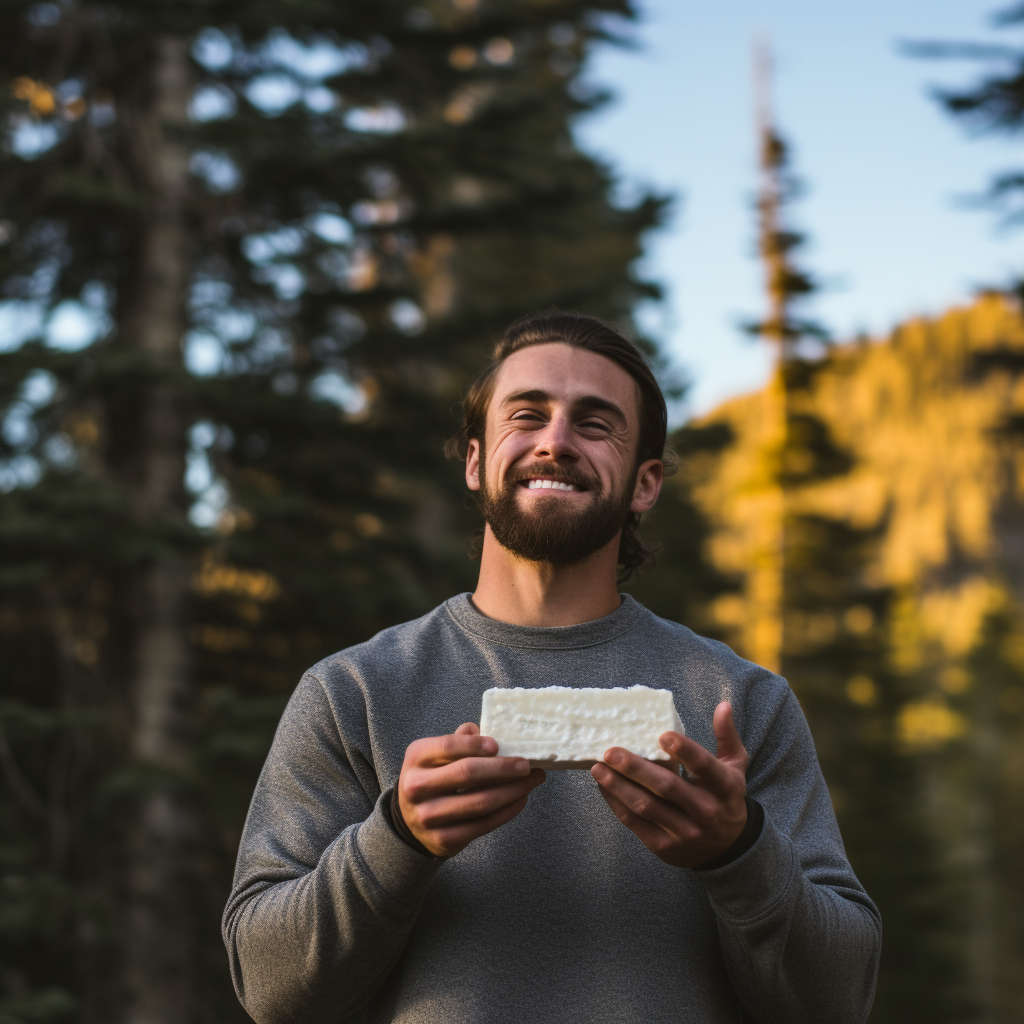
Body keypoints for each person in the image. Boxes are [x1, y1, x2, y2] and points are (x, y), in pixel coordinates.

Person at [223, 312, 881, 1024]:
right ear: (475, 461)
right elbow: (268, 989)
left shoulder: (741, 703)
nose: (557, 442)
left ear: (645, 484)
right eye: (527, 415)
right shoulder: (353, 693)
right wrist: (398, 839)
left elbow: (838, 1002)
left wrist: (739, 851)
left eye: (596, 425)